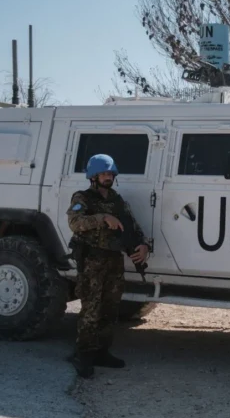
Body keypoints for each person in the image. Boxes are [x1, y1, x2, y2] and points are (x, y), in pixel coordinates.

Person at [66, 154, 149, 378]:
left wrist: (142, 245)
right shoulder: (83, 198)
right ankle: (83, 355)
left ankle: (102, 351)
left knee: (110, 308)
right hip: (92, 260)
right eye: (103, 174)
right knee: (91, 309)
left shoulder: (117, 200)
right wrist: (102, 217)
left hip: (114, 260)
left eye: (110, 174)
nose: (108, 177)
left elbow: (132, 225)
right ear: (93, 176)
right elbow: (75, 223)